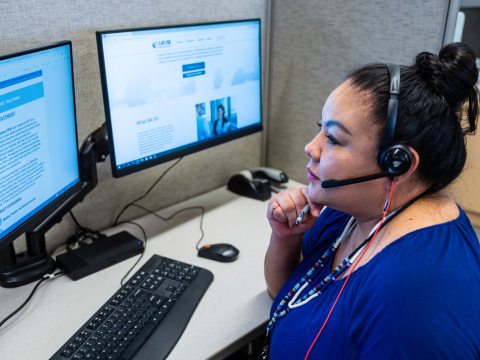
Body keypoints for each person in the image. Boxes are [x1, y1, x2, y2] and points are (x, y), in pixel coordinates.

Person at [264, 43, 480, 359]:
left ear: (398, 163)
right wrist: (286, 239)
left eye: (334, 139)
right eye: (319, 129)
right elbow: (286, 296)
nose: (311, 147)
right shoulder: (352, 212)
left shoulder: (413, 293)